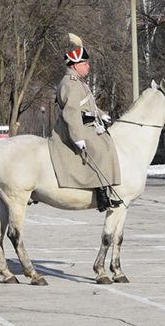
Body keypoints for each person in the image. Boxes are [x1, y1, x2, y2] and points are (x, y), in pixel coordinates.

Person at [48, 34, 122, 212]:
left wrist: (101, 115)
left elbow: (89, 105)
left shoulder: (79, 82)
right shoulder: (71, 83)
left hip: (85, 123)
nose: (88, 66)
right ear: (75, 65)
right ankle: (102, 195)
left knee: (106, 141)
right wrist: (78, 137)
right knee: (101, 148)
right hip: (74, 127)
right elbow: (72, 112)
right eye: (85, 64)